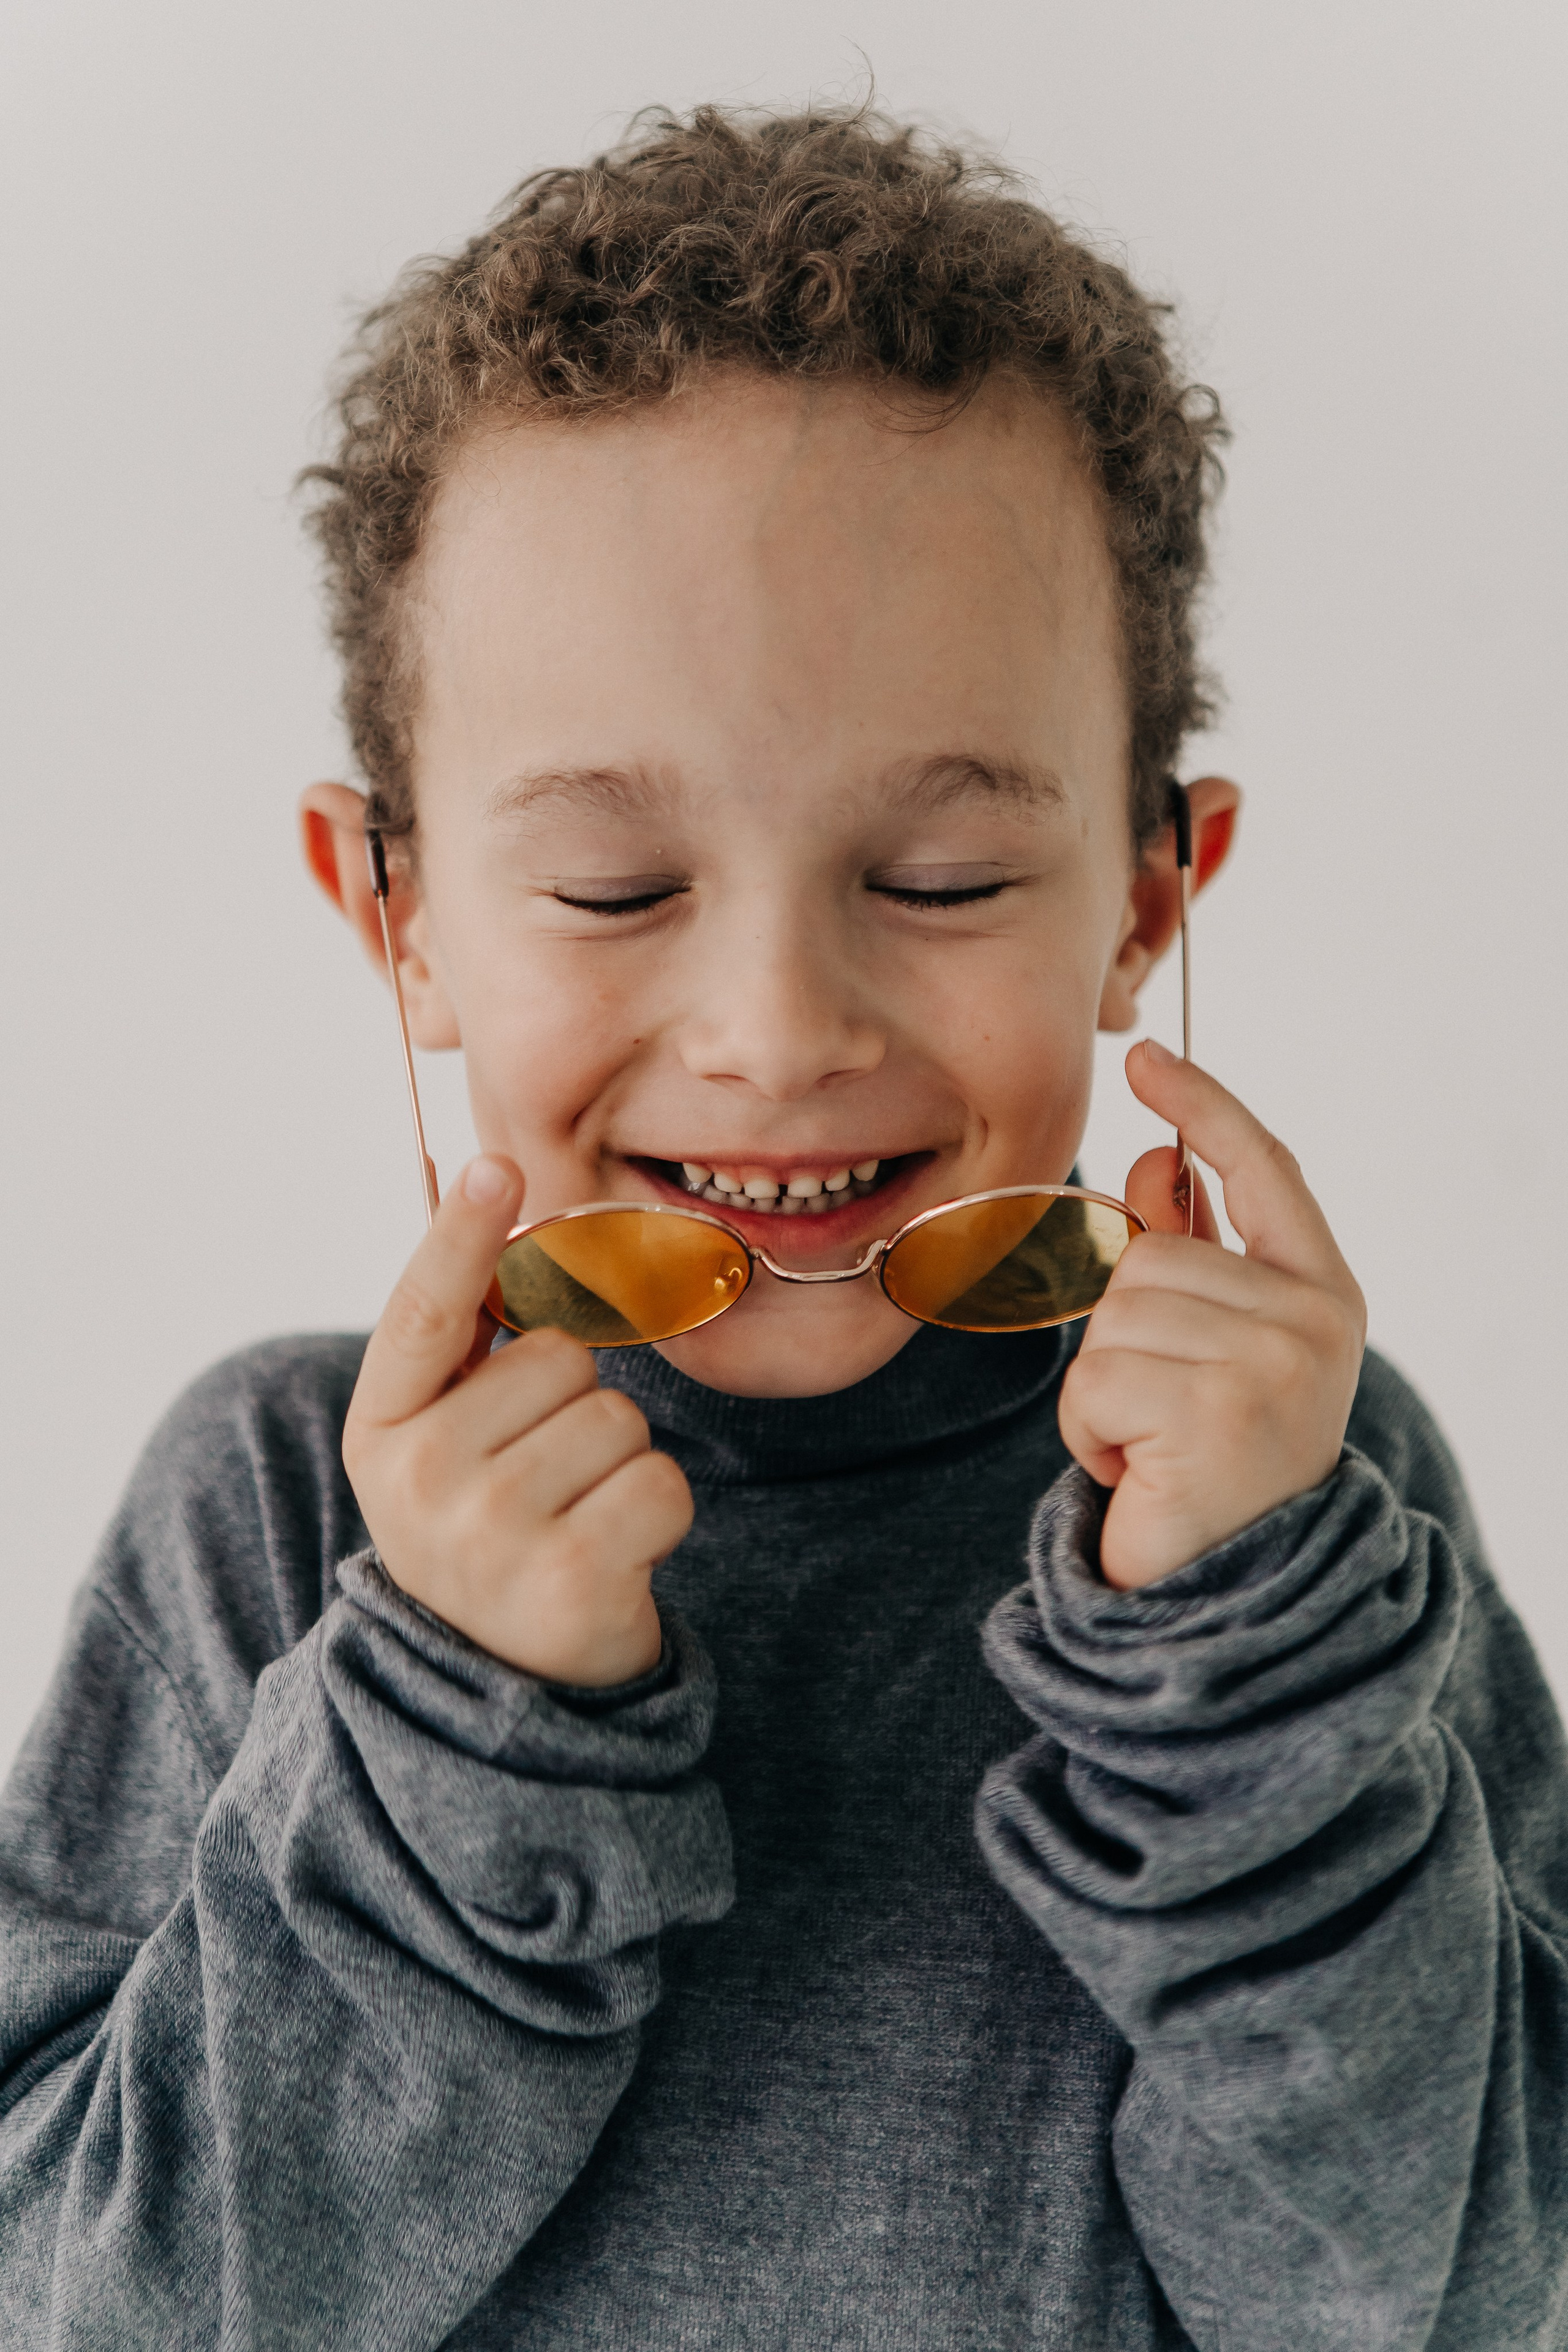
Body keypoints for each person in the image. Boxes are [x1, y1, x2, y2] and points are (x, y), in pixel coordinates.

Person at [1, 104, 1562, 2352]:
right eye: (618, 889)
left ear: (1147, 898)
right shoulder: (264, 1509)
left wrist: (1236, 1672)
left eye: (937, 884)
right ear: (400, 916)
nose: (775, 1031)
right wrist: (456, 1727)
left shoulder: (1297, 1507)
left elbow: (1440, 2304)